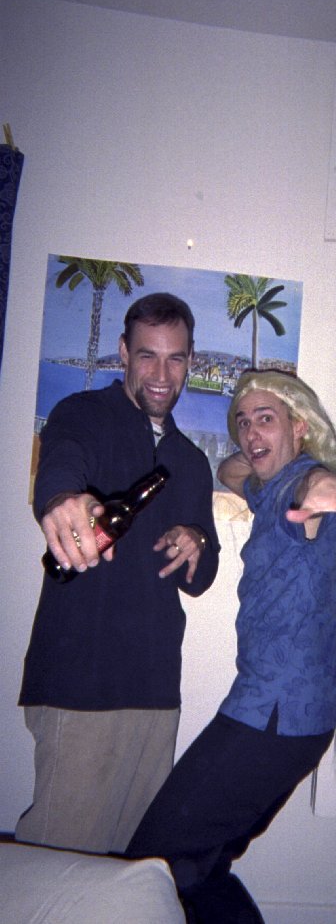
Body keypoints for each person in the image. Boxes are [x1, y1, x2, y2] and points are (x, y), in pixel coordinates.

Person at [125, 369, 336, 922]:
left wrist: (332, 490)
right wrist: (261, 459)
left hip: (271, 718)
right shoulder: (272, 486)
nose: (251, 432)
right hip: (289, 720)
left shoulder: (297, 489)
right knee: (199, 868)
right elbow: (232, 470)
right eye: (243, 421)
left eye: (266, 419)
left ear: (299, 427)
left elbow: (312, 491)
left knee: (153, 864)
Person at [16, 292, 220, 854]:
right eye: (148, 355)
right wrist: (62, 500)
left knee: (130, 867)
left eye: (175, 359)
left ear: (190, 361)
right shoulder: (82, 413)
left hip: (155, 688)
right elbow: (62, 460)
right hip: (80, 681)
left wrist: (198, 541)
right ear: (124, 352)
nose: (161, 375)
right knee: (59, 865)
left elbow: (201, 579)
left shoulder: (191, 461)